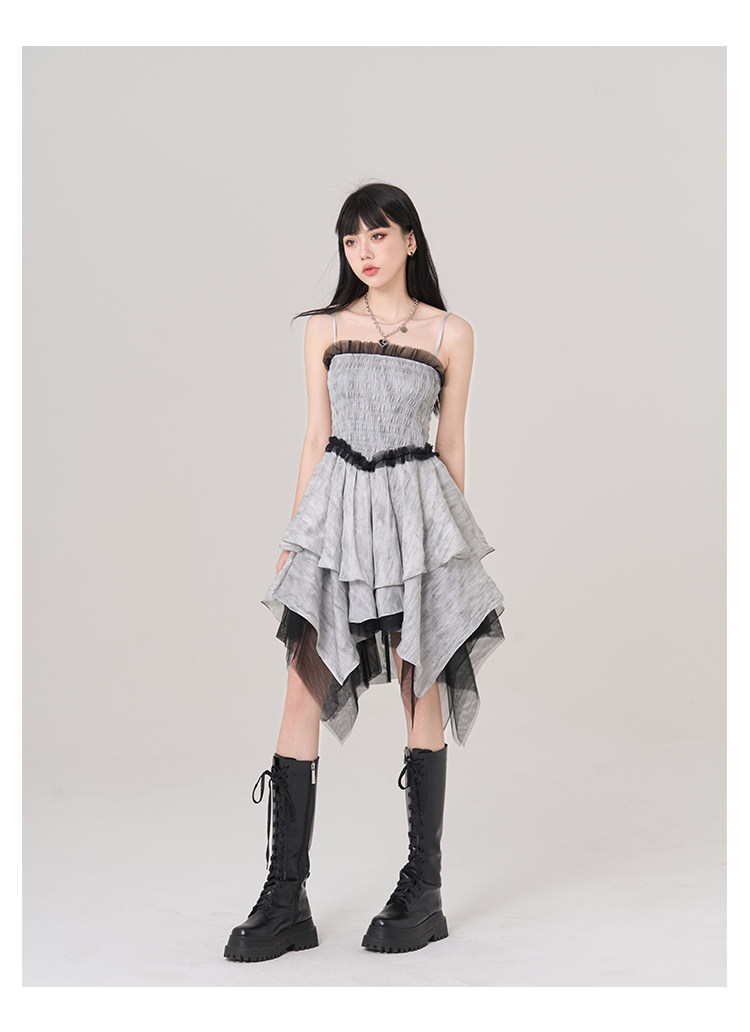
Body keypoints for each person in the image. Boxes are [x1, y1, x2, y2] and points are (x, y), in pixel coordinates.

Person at [224, 182, 506, 963]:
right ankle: (286, 897)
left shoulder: (452, 332)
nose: (364, 252)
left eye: (377, 235)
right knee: (301, 688)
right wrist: (296, 537)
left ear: (409, 240)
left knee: (421, 688)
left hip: (416, 518)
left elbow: (451, 445)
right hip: (339, 516)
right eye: (351, 240)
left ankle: (424, 889)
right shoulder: (324, 328)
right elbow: (315, 437)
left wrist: (448, 553)